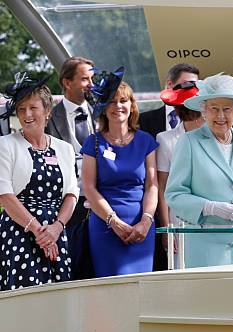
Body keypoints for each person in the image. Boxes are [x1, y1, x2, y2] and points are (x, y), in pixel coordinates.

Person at [165, 73, 233, 267]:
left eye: (227, 109)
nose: (221, 116)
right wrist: (209, 207)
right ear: (204, 112)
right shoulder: (189, 142)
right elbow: (175, 195)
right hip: (204, 248)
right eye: (214, 109)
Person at [0, 73, 79, 290]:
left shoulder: (65, 149)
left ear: (47, 111)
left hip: (55, 232)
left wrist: (56, 228)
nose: (27, 114)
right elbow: (5, 195)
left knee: (58, 297)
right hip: (19, 231)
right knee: (23, 296)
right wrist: (38, 231)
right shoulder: (5, 145)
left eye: (33, 108)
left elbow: (71, 194)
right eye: (21, 109)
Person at [81, 70, 159, 277]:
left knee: (142, 288)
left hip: (142, 227)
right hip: (106, 227)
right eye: (112, 101)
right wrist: (114, 222)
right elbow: (88, 187)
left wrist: (146, 221)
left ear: (131, 105)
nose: (118, 106)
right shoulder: (94, 142)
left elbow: (152, 185)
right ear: (104, 108)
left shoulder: (146, 141)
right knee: (111, 289)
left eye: (123, 101)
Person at [138, 62, 199, 272]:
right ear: (170, 85)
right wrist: (165, 228)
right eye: (184, 86)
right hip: (172, 220)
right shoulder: (151, 126)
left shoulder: (213, 133)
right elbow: (157, 183)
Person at [156, 80, 203, 259]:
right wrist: (167, 228)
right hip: (180, 221)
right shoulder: (165, 139)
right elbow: (162, 187)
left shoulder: (217, 136)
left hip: (214, 220)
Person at [45, 57, 95, 227]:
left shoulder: (103, 115)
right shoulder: (48, 119)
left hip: (101, 200)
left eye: (92, 79)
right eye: (85, 79)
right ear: (67, 82)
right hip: (64, 204)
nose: (91, 84)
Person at [138, 63, 200, 138]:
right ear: (170, 84)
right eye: (187, 84)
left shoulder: (200, 118)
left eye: (196, 85)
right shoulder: (144, 120)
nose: (192, 89)